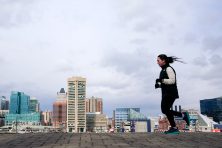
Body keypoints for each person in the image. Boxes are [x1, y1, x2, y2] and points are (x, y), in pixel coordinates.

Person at [155, 54, 190, 134]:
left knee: (165, 110)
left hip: (170, 93)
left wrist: (162, 80)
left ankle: (182, 116)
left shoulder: (169, 68)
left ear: (163, 60)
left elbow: (172, 81)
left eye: (158, 60)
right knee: (166, 110)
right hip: (166, 93)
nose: (157, 62)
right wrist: (159, 85)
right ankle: (174, 127)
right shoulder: (163, 70)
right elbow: (166, 82)